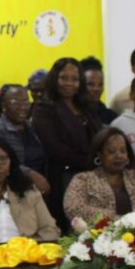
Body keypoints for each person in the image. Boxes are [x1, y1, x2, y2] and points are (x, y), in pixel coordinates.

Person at [31, 57, 101, 229]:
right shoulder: (44, 108)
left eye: (74, 79)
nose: (69, 83)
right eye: (64, 78)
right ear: (55, 78)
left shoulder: (86, 107)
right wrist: (90, 161)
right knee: (74, 229)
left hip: (94, 177)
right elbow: (54, 148)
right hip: (64, 177)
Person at [63, 127, 135, 222]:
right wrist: (117, 220)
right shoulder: (83, 180)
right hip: (100, 239)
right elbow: (73, 207)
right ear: (99, 155)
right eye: (111, 151)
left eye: (123, 151)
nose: (118, 156)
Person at [0, 84, 50, 196]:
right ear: (3, 106)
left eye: (25, 102)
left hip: (39, 189)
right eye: (15, 102)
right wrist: (30, 174)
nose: (22, 107)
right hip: (11, 189)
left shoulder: (31, 127)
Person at [80, 56, 116, 125]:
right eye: (90, 84)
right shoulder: (72, 114)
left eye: (100, 84)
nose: (96, 89)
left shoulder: (110, 116)